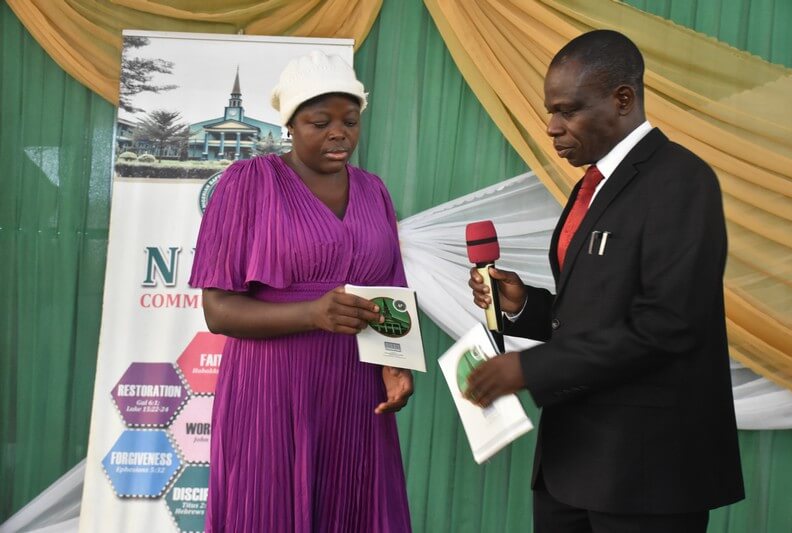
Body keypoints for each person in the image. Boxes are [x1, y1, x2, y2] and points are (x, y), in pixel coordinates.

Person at [466, 30, 744, 532]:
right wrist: (524, 305)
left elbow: (667, 324)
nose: (552, 127)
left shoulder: (683, 181)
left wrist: (530, 368)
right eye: (551, 111)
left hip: (646, 475)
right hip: (568, 467)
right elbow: (593, 309)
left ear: (623, 100)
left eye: (568, 111)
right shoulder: (592, 185)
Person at [189, 50, 413, 532]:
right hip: (272, 392)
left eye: (350, 121)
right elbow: (218, 310)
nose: (339, 133)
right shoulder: (248, 183)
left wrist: (395, 364)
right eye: (320, 122)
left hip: (356, 392)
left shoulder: (374, 191)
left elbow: (390, 290)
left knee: (350, 511)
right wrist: (312, 313)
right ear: (290, 123)